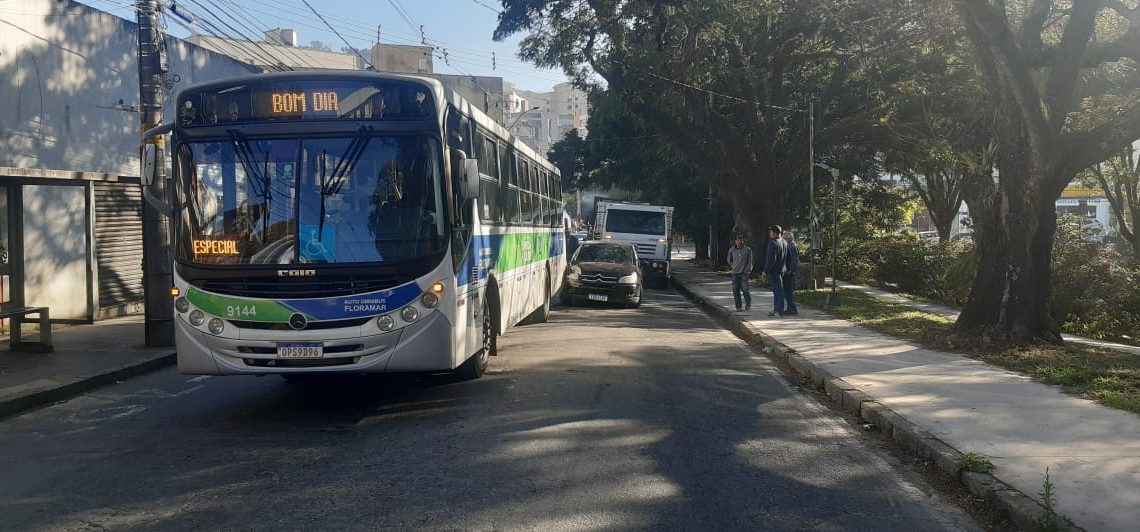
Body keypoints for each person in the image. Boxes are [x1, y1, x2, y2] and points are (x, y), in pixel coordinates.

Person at [763, 225, 788, 317]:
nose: (769, 233)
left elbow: (771, 259)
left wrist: (765, 270)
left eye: (770, 231)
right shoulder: (784, 242)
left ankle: (778, 310)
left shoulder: (773, 243)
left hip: (774, 270)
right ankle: (776, 309)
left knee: (778, 290)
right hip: (781, 269)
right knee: (777, 290)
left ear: (773, 232)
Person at [726, 235, 754, 311]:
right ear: (735, 241)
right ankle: (738, 307)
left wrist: (747, 270)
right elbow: (729, 260)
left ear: (743, 241)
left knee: (745, 290)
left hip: (744, 273)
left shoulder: (747, 249)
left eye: (741, 240)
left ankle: (748, 304)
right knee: (735, 290)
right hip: (735, 273)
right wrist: (733, 266)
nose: (739, 242)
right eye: (738, 240)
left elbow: (750, 261)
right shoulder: (732, 250)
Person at [782, 230, 800, 315]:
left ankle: (792, 309)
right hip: (787, 271)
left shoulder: (792, 247)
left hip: (789, 272)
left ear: (788, 238)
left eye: (784, 238)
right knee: (787, 291)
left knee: (788, 291)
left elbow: (793, 261)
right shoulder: (789, 246)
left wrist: (791, 270)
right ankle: (791, 308)